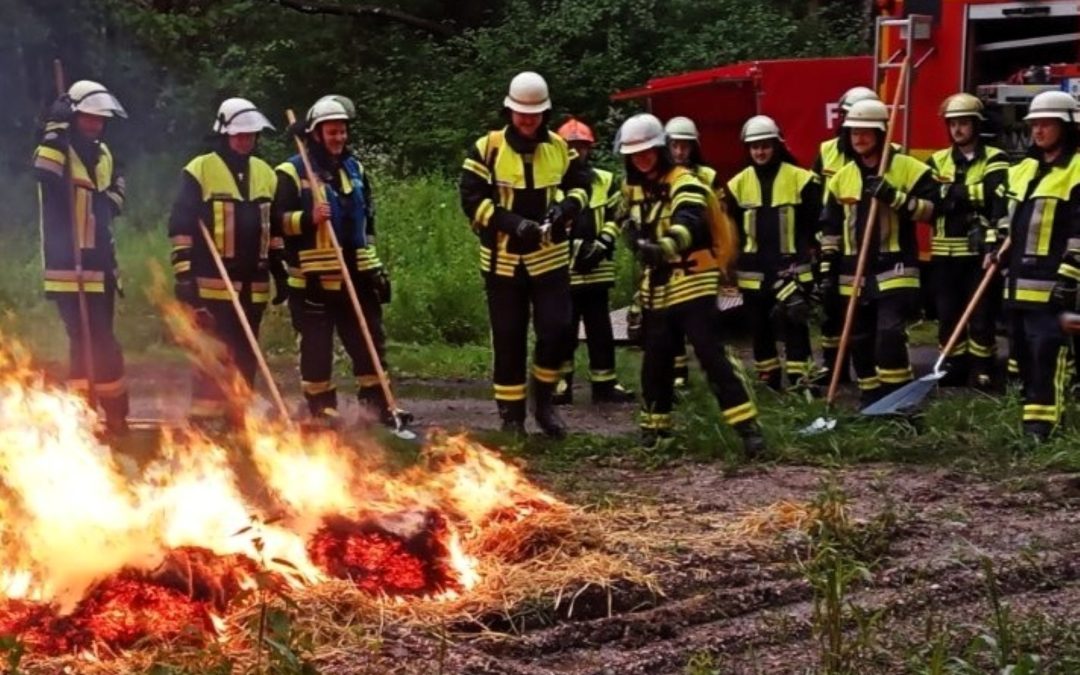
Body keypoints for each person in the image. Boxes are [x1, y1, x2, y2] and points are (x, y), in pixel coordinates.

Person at [619, 113, 764, 455]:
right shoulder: (631, 190)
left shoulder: (686, 181)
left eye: (647, 152)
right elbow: (623, 221)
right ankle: (656, 432)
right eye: (634, 154)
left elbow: (690, 220)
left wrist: (665, 246)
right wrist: (627, 234)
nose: (641, 159)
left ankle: (748, 429)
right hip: (657, 286)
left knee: (711, 353)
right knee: (655, 360)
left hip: (694, 280)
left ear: (660, 150)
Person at [458, 72, 591, 437]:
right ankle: (511, 417)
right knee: (509, 336)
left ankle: (544, 403)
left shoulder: (559, 148)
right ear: (510, 111)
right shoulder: (487, 148)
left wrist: (565, 209)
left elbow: (582, 186)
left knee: (559, 330)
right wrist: (513, 224)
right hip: (502, 261)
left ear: (545, 113)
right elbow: (471, 200)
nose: (528, 120)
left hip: (549, 259)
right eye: (521, 113)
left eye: (534, 113)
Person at [273, 96, 409, 428]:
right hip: (313, 281)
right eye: (332, 132)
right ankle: (322, 409)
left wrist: (374, 269)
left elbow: (368, 224)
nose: (339, 138)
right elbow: (275, 223)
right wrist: (308, 218)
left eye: (342, 131)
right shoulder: (291, 171)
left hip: (357, 277)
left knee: (369, 343)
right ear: (316, 134)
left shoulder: (355, 169)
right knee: (316, 350)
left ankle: (377, 405)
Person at [167, 98, 280, 427]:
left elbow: (271, 228)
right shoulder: (200, 169)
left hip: (253, 286)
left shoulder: (265, 173)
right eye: (239, 135)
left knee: (247, 354)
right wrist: (184, 276)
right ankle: (203, 424)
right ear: (224, 134)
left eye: (251, 135)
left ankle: (238, 419)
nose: (246, 141)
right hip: (213, 284)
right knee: (213, 354)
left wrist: (279, 272)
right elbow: (180, 226)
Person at [820, 99, 938, 405]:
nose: (859, 138)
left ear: (880, 132)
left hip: (895, 266)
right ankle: (870, 397)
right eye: (854, 132)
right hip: (853, 268)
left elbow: (932, 211)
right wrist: (827, 269)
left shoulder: (908, 168)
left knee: (889, 334)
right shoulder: (841, 177)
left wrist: (894, 197)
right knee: (858, 337)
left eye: (866, 131)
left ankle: (899, 401)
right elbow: (831, 228)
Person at [32, 79, 129, 434]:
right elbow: (43, 171)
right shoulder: (57, 148)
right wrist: (55, 128)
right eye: (88, 118)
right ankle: (83, 415)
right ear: (74, 117)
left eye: (99, 120)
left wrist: (106, 204)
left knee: (104, 339)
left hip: (101, 264)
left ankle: (116, 413)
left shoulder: (103, 153)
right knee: (83, 340)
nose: (95, 125)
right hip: (66, 265)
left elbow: (119, 187)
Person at [994, 90, 1080, 441]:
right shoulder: (1022, 170)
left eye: (1047, 124)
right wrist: (993, 245)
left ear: (1068, 127)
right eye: (1034, 124)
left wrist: (1070, 276)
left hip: (1054, 282)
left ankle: (1041, 429)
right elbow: (1004, 216)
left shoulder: (1076, 170)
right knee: (1024, 354)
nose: (1038, 131)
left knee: (1048, 350)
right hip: (1017, 281)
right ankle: (1034, 419)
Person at [725, 115, 821, 391]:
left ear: (777, 145)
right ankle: (768, 378)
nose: (760, 152)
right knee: (759, 327)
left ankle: (800, 379)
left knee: (795, 322)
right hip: (753, 271)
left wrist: (816, 261)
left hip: (789, 268)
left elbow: (815, 224)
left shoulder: (803, 180)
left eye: (765, 146)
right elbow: (730, 230)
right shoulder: (737, 184)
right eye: (754, 147)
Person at [925, 93, 1009, 388]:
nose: (957, 129)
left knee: (981, 314)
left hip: (979, 253)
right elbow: (932, 199)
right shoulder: (936, 161)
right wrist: (967, 195)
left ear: (975, 124)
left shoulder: (996, 158)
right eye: (953, 124)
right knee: (948, 314)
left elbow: (993, 196)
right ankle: (952, 366)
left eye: (963, 123)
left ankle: (983, 368)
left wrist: (953, 195)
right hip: (945, 253)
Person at [553, 117, 635, 405]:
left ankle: (605, 384)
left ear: (590, 149)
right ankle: (560, 383)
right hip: (565, 272)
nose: (576, 152)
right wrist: (576, 249)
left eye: (581, 147)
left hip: (599, 269)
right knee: (563, 329)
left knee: (601, 330)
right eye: (570, 147)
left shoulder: (606, 180)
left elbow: (619, 215)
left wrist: (603, 243)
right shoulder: (552, 183)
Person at [812, 86, 880, 383]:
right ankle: (832, 367)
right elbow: (815, 194)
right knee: (831, 307)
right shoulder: (827, 151)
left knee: (868, 311)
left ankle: (873, 367)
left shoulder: (888, 153)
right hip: (832, 236)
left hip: (867, 240)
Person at [663, 115, 725, 388]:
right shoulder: (659, 176)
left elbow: (720, 217)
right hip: (667, 254)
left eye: (685, 146)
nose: (679, 152)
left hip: (701, 258)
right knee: (669, 321)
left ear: (694, 147)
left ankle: (717, 374)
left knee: (704, 324)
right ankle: (678, 374)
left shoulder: (708, 176)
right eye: (675, 145)